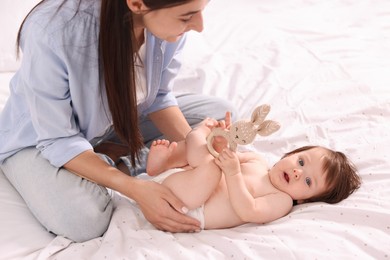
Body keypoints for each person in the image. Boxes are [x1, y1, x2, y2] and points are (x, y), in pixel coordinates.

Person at [0, 0, 238, 242]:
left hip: (109, 122)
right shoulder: (51, 32)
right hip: (39, 139)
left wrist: (198, 146)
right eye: (187, 16)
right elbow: (59, 139)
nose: (199, 26)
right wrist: (137, 190)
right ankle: (107, 163)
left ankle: (108, 159)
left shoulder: (163, 26)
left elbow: (158, 98)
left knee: (217, 118)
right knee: (85, 221)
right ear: (137, 4)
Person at [142, 116, 362, 230]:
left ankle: (194, 135)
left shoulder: (282, 200)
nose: (297, 171)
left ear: (305, 199)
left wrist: (234, 174)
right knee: (208, 159)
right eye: (301, 161)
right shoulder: (258, 160)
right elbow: (223, 158)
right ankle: (165, 164)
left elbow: (249, 211)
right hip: (183, 186)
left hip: (189, 210)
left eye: (307, 180)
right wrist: (220, 142)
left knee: (209, 168)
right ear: (290, 154)